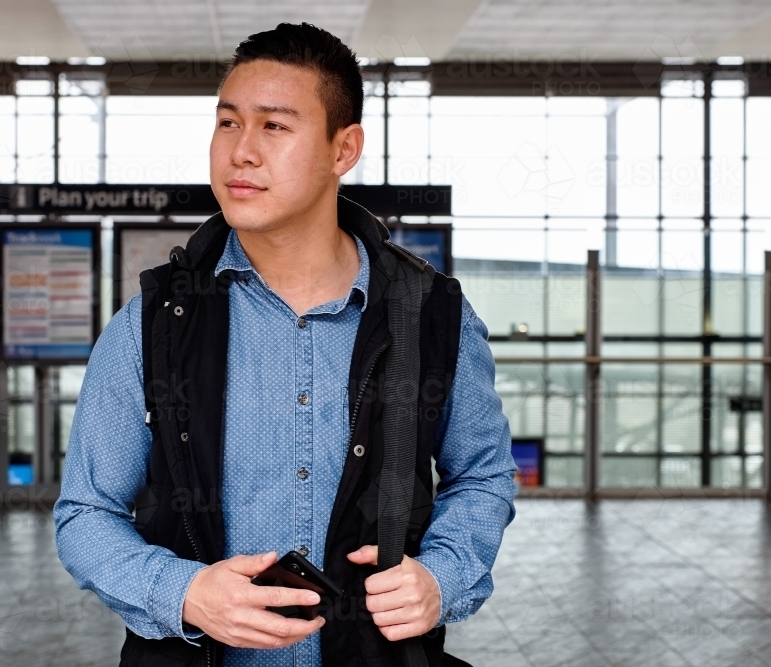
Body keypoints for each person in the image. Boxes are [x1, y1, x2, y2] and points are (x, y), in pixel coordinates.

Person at [54, 22, 517, 667]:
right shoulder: (154, 320)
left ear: (343, 148)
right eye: (227, 123)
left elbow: (483, 476)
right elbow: (85, 514)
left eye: (274, 126)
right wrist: (184, 593)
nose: (241, 152)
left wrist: (442, 575)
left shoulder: (429, 314)